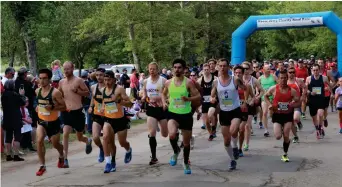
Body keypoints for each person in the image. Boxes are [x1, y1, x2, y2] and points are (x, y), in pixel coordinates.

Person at [162, 59, 201, 174]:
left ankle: (185, 162)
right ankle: (176, 151)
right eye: (175, 67)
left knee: (187, 142)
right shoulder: (168, 83)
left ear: (184, 69)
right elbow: (163, 94)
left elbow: (198, 96)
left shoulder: (188, 82)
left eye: (179, 67)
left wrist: (188, 99)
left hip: (186, 114)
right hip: (172, 113)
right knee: (172, 134)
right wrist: (164, 103)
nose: (176, 69)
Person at [210, 59, 246, 170]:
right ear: (217, 67)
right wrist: (212, 98)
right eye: (220, 66)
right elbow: (213, 93)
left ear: (228, 67)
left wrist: (245, 100)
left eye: (224, 66)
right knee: (226, 140)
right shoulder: (216, 82)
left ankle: (235, 146)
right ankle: (232, 160)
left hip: (235, 110)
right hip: (224, 112)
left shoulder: (235, 80)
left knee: (233, 131)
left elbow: (246, 88)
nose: (222, 68)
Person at [59, 61, 92, 168]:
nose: (66, 71)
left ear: (73, 68)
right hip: (66, 112)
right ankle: (65, 159)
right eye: (64, 69)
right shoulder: (61, 82)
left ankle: (87, 141)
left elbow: (87, 93)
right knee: (65, 133)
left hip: (77, 112)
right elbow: (59, 94)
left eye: (68, 69)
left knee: (79, 137)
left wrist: (78, 91)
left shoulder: (79, 81)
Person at [35, 68, 66, 176]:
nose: (42, 81)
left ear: (49, 79)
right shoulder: (37, 91)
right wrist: (37, 107)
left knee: (55, 144)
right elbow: (37, 103)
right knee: (39, 140)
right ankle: (42, 165)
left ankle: (62, 156)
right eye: (40, 78)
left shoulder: (55, 92)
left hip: (53, 122)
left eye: (44, 78)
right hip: (41, 121)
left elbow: (64, 106)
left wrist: (52, 107)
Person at [265, 69, 300, 162]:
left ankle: (285, 153)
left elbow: (298, 101)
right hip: (277, 115)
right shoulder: (273, 89)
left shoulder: (292, 91)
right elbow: (265, 96)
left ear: (287, 78)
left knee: (286, 135)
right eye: (281, 78)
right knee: (277, 136)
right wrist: (270, 105)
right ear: (278, 79)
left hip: (288, 115)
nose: (283, 80)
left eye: (285, 78)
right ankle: (280, 129)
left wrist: (293, 104)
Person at [101, 70, 133, 173]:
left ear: (114, 80)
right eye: (105, 80)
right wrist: (102, 109)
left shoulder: (119, 89)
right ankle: (109, 162)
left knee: (122, 142)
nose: (107, 82)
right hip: (108, 119)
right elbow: (103, 103)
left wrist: (118, 101)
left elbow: (130, 104)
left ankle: (128, 150)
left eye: (109, 80)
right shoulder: (103, 90)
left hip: (120, 120)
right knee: (106, 139)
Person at [141, 62, 168, 165]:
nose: (151, 71)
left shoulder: (163, 81)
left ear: (157, 70)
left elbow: (168, 93)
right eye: (150, 69)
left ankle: (175, 133)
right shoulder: (145, 81)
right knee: (152, 133)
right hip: (151, 109)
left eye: (153, 69)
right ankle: (154, 157)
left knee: (165, 134)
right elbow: (144, 92)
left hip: (162, 109)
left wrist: (164, 101)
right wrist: (144, 97)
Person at [242, 62, 264, 151]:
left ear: (250, 69)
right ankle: (240, 141)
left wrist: (256, 98)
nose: (245, 70)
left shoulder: (254, 80)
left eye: (247, 68)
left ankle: (246, 144)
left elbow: (262, 91)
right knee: (240, 126)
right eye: (243, 69)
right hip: (239, 104)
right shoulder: (237, 79)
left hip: (250, 104)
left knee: (247, 125)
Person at [1, 80, 26, 161]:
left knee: (8, 137)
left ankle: (8, 155)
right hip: (15, 118)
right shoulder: (15, 95)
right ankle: (16, 155)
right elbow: (23, 103)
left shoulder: (3, 95)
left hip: (7, 118)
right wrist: (22, 95)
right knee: (17, 137)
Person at [306, 64, 331, 139]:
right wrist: (310, 92)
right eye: (314, 70)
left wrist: (329, 90)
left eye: (317, 70)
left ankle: (320, 127)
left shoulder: (324, 78)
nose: (315, 72)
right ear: (312, 70)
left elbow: (330, 85)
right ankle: (317, 129)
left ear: (319, 70)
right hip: (312, 100)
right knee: (314, 117)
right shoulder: (309, 79)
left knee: (320, 114)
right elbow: (305, 90)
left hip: (321, 99)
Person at [234, 65, 254, 157]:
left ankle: (240, 148)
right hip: (233, 110)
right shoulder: (231, 85)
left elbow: (253, 97)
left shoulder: (247, 86)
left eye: (239, 73)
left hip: (244, 110)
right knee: (234, 130)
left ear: (242, 74)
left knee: (241, 129)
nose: (238, 74)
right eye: (236, 73)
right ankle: (234, 146)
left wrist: (249, 102)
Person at [88, 68, 106, 163]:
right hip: (97, 114)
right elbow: (93, 98)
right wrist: (91, 106)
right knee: (95, 137)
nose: (99, 77)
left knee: (107, 138)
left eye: (101, 75)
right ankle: (102, 149)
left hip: (108, 115)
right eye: (97, 75)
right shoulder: (93, 87)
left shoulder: (109, 87)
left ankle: (110, 158)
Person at [197, 63, 217, 140]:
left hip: (212, 100)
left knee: (210, 114)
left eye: (207, 69)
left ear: (210, 70)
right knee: (206, 122)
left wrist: (215, 97)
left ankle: (214, 127)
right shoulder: (200, 80)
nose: (206, 71)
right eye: (204, 70)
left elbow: (218, 89)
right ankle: (210, 134)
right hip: (204, 101)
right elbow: (197, 91)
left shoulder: (214, 78)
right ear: (202, 70)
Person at [287, 67, 306, 143]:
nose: (291, 74)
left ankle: (298, 122)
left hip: (297, 103)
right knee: (291, 122)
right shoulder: (285, 82)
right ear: (287, 73)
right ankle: (295, 136)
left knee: (295, 118)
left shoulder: (298, 81)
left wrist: (303, 96)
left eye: (293, 72)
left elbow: (305, 87)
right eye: (290, 72)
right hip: (288, 104)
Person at [258, 64, 278, 136]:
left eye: (269, 69)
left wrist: (274, 91)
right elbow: (258, 87)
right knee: (265, 112)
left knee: (271, 113)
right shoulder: (260, 78)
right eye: (267, 69)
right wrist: (258, 92)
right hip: (264, 98)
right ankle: (266, 130)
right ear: (263, 70)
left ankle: (276, 123)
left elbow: (279, 85)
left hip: (273, 98)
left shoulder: (273, 76)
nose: (269, 70)